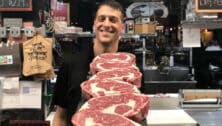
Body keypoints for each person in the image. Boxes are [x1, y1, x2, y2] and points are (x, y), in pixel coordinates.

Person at [52, 0, 125, 126]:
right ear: (94, 24)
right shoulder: (70, 64)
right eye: (102, 19)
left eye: (113, 20)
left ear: (122, 27)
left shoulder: (131, 69)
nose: (106, 24)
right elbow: (60, 117)